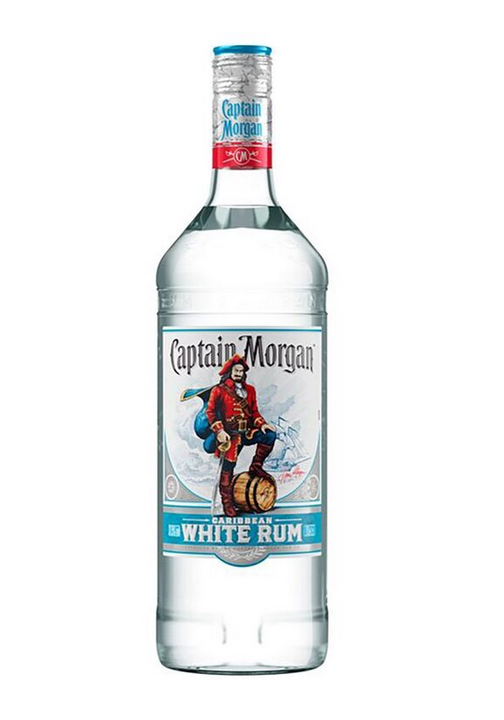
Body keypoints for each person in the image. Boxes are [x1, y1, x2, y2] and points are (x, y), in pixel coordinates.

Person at [204, 354, 276, 516]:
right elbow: (211, 412)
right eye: (236, 370)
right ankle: (227, 503)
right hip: (230, 436)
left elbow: (254, 412)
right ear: (230, 371)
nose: (238, 373)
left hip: (247, 432)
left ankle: (256, 466)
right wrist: (220, 431)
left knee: (270, 436)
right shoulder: (219, 390)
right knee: (228, 469)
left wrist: (262, 424)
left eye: (241, 371)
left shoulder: (249, 390)